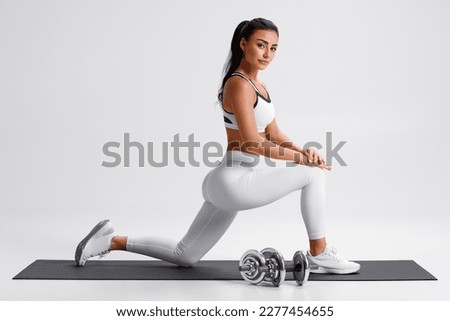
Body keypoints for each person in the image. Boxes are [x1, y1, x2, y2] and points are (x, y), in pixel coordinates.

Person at [75, 18, 360, 275]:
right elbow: (251, 142)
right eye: (261, 45)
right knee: (312, 175)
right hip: (234, 181)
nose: (267, 54)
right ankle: (320, 252)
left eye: (274, 48)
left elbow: (273, 132)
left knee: (185, 255)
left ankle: (111, 240)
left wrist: (303, 151)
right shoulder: (239, 84)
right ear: (243, 43)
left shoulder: (259, 86)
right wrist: (301, 161)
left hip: (226, 181)